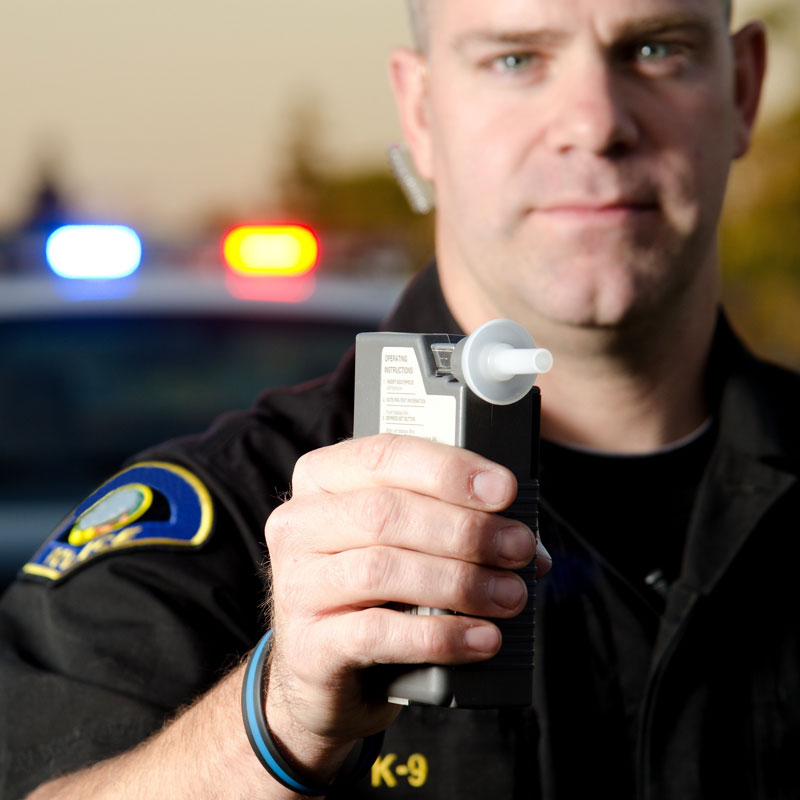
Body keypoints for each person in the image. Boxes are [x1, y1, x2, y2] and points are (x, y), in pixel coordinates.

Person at [1, 0, 795, 797]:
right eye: (515, 59)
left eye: (657, 49)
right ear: (420, 111)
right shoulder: (228, 522)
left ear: (744, 88)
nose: (594, 123)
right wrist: (276, 723)